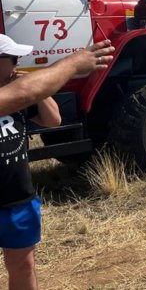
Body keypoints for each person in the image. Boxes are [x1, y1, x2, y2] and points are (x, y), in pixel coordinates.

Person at [0, 35, 114, 290]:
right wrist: (71, 64)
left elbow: (53, 120)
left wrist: (36, 92)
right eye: (13, 59)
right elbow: (26, 91)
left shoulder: (18, 99)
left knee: (23, 266)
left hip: (17, 200)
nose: (18, 64)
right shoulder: (16, 95)